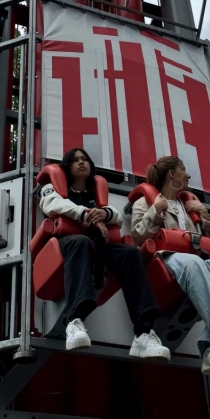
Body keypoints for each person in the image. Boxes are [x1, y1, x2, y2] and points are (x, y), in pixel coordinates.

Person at [130, 156, 210, 376]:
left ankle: (209, 345)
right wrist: (155, 212)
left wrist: (205, 215)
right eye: (183, 170)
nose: (188, 175)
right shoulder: (146, 201)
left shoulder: (189, 206)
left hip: (196, 258)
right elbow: (139, 235)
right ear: (172, 174)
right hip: (166, 257)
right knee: (194, 261)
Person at [40, 148, 170, 361]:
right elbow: (51, 205)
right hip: (67, 245)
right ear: (66, 167)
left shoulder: (94, 194)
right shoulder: (51, 187)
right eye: (75, 160)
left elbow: (117, 217)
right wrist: (87, 215)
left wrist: (103, 213)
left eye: (84, 159)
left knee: (131, 254)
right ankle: (75, 321)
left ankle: (143, 333)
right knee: (80, 241)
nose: (81, 163)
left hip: (95, 247)